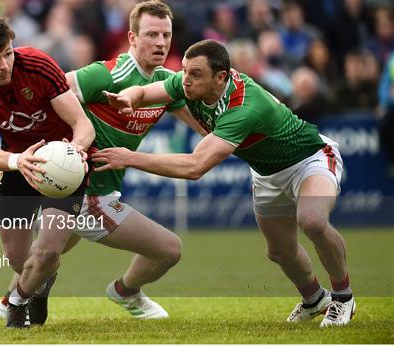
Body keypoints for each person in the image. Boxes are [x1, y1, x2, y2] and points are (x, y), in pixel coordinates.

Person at [94, 39, 356, 327]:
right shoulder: (186, 85)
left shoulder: (243, 105)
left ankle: (343, 298)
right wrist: (129, 97)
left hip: (309, 159)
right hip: (267, 173)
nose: (185, 80)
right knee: (279, 251)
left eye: (195, 74)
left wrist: (130, 158)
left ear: (221, 77)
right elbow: (145, 91)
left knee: (313, 221)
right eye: (183, 71)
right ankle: (314, 299)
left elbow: (195, 167)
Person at [0, 0, 206, 323]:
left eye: (166, 35)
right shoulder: (104, 75)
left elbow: (207, 128)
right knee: (169, 249)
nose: (160, 43)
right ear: (131, 38)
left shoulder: (166, 83)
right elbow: (51, 93)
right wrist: (54, 151)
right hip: (87, 192)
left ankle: (11, 300)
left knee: (47, 253)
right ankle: (125, 291)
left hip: (104, 189)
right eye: (151, 35)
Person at [0, 14, 95, 328]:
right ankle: (41, 286)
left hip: (64, 164)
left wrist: (77, 150)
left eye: (8, 53)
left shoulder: (38, 65)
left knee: (44, 254)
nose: (4, 65)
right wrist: (18, 162)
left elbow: (82, 125)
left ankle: (17, 302)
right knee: (19, 259)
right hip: (17, 165)